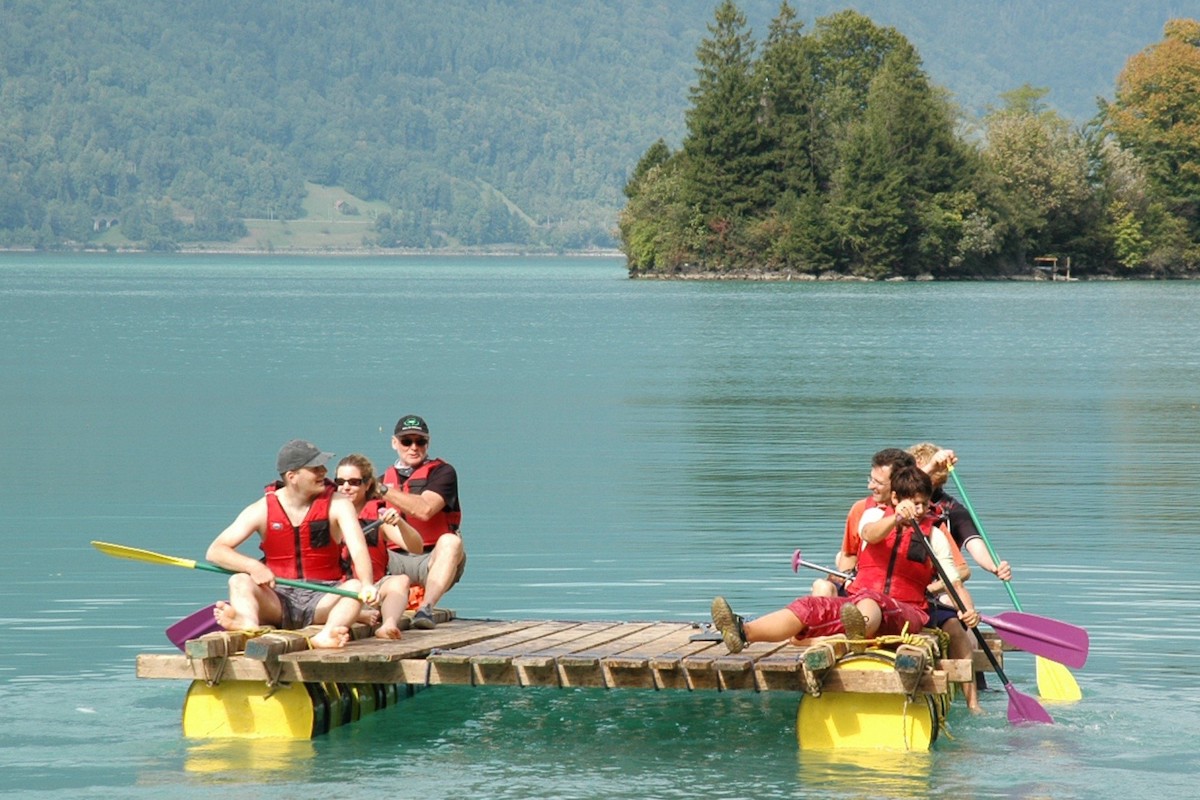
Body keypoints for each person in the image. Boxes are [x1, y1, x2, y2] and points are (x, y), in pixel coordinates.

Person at [712, 465, 980, 655]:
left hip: (907, 611)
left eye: (923, 504)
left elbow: (954, 581)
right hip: (857, 602)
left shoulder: (934, 535)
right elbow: (869, 535)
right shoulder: (874, 517)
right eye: (914, 503)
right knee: (808, 606)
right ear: (896, 498)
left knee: (871, 602)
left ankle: (853, 635)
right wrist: (897, 519)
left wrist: (967, 611)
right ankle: (743, 632)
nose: (919, 510)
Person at [206, 439, 376, 649]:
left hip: (324, 599)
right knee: (239, 580)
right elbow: (216, 551)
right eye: (315, 468)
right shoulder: (262, 509)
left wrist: (368, 583)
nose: (324, 471)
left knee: (356, 587)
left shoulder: (339, 504)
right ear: (292, 476)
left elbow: (358, 550)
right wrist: (253, 566)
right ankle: (248, 623)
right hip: (278, 598)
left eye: (322, 466)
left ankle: (325, 635)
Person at [377, 414, 466, 629]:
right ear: (394, 443)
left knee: (451, 542)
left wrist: (381, 490)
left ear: (428, 443)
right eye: (406, 441)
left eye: (420, 441)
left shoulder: (443, 473)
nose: (413, 447)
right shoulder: (382, 479)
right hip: (393, 560)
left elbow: (425, 510)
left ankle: (425, 609)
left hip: (432, 559)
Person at [334, 454, 426, 640]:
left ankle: (388, 626)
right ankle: (359, 615)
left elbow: (417, 547)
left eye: (353, 482)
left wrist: (399, 523)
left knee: (400, 580)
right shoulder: (329, 513)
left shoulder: (379, 515)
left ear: (367, 485)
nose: (345, 487)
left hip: (371, 592)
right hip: (340, 590)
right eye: (340, 481)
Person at [810, 448, 917, 599]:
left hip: (900, 591)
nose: (870, 486)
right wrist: (846, 576)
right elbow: (848, 554)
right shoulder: (860, 509)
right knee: (822, 587)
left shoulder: (921, 514)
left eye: (878, 482)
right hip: (860, 585)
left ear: (897, 485)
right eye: (871, 479)